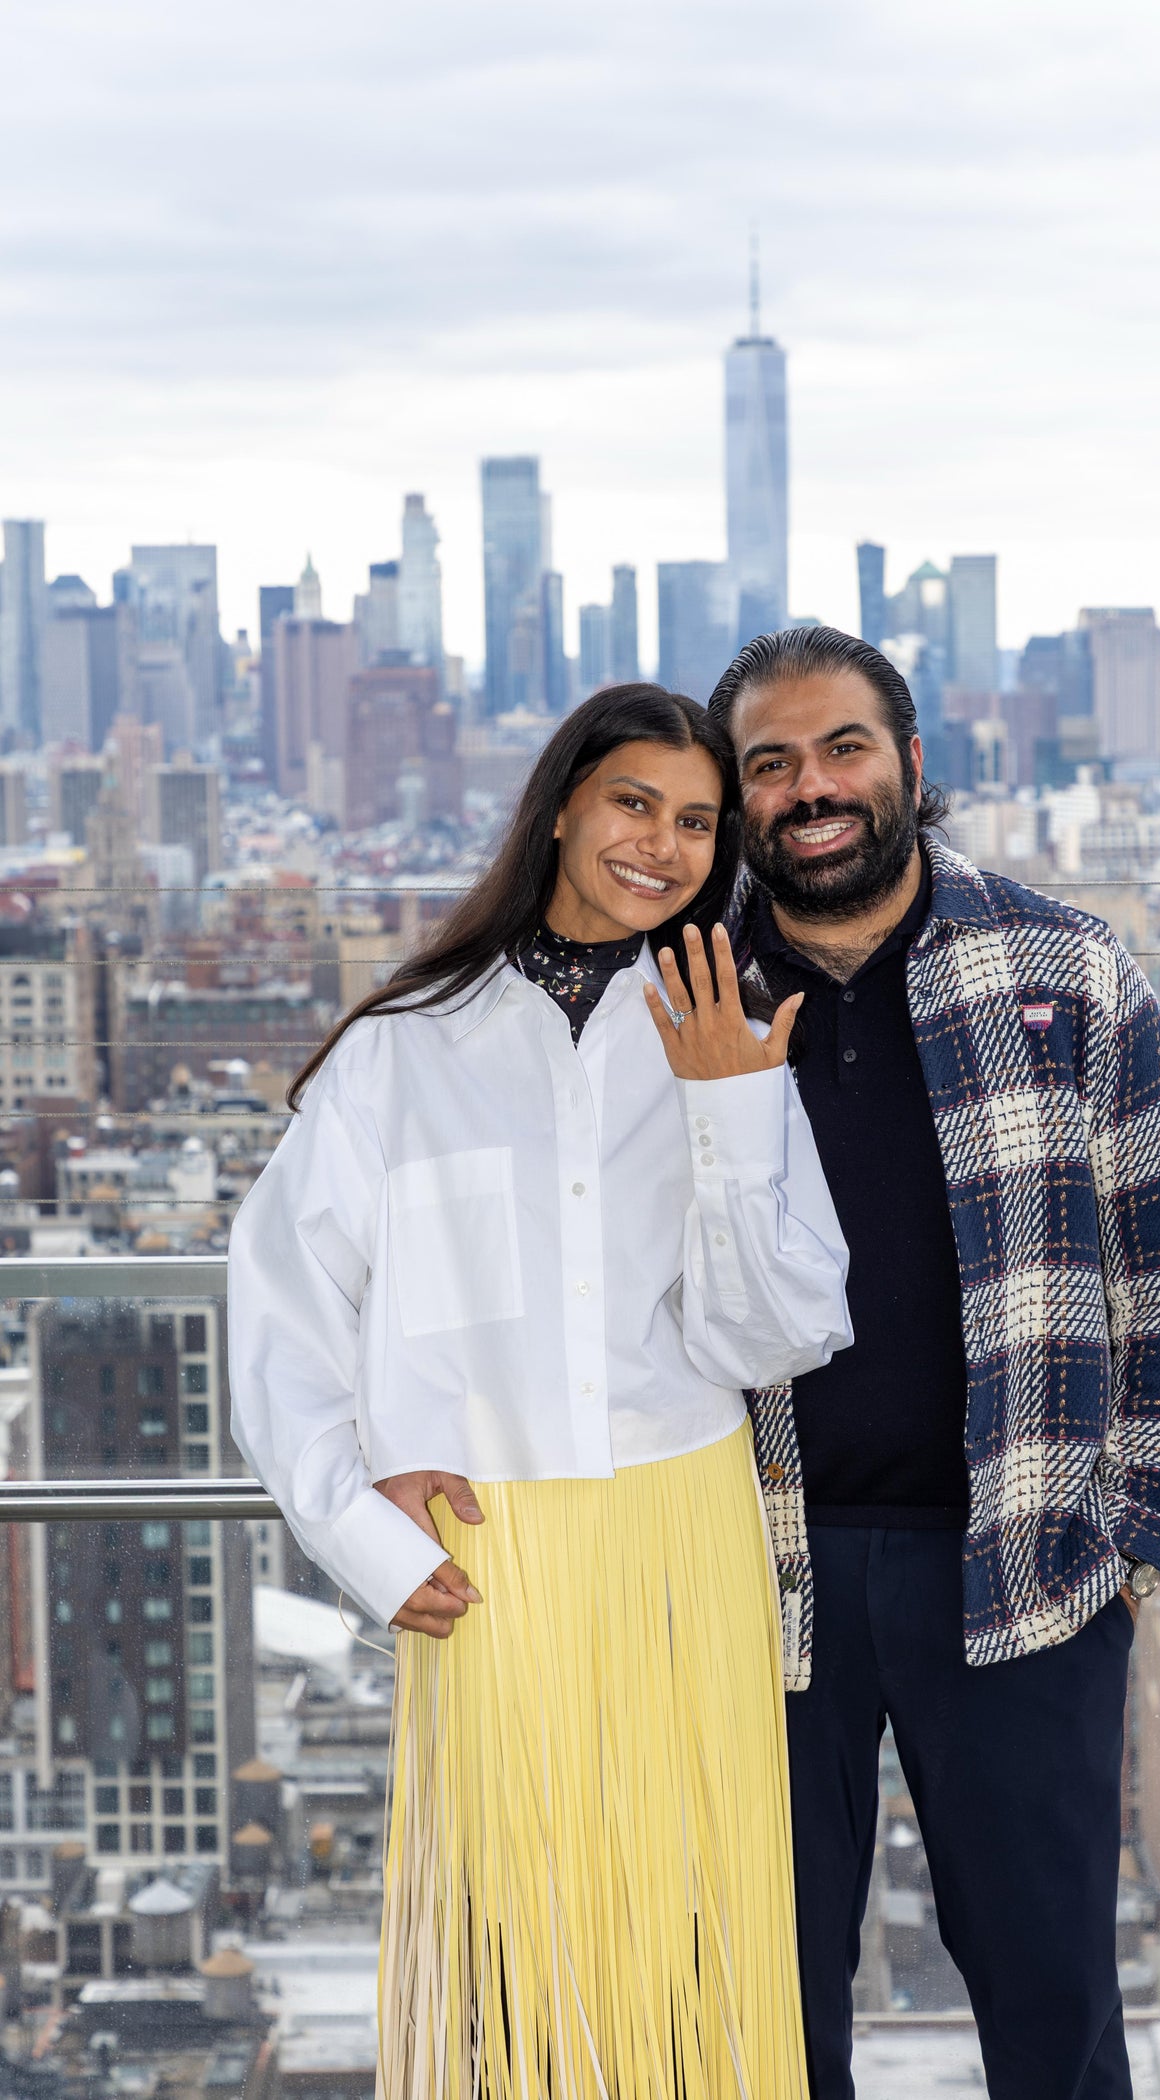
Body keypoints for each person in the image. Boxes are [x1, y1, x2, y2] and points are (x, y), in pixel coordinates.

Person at [227, 684, 852, 2100]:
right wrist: (363, 1534)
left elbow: (778, 1334)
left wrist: (729, 1107)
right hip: (491, 1558)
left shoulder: (728, 1030)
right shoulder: (403, 1047)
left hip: (687, 1541)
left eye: (699, 821)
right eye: (636, 803)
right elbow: (281, 1315)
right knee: (524, 1968)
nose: (665, 844)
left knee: (704, 1949)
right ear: (563, 803)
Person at [708, 627, 1160, 2100]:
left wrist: (1143, 1531)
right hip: (755, 1577)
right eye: (771, 764)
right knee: (760, 2010)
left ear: (911, 764)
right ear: (739, 797)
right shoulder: (682, 993)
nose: (811, 788)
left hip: (1021, 1565)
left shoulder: (1064, 963)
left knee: (1051, 2003)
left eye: (842, 749)